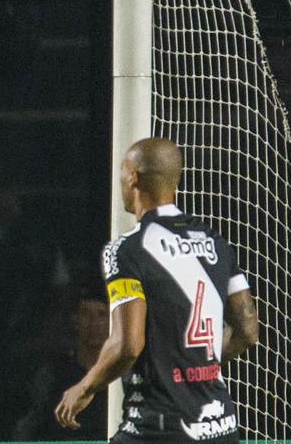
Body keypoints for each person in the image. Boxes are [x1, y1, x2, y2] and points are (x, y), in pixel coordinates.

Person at [56, 138, 257, 437]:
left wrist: (84, 388)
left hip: (158, 427)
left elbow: (127, 344)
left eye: (122, 172)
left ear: (133, 177)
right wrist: (194, 367)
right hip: (220, 427)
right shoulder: (215, 242)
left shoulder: (127, 250)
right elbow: (248, 330)